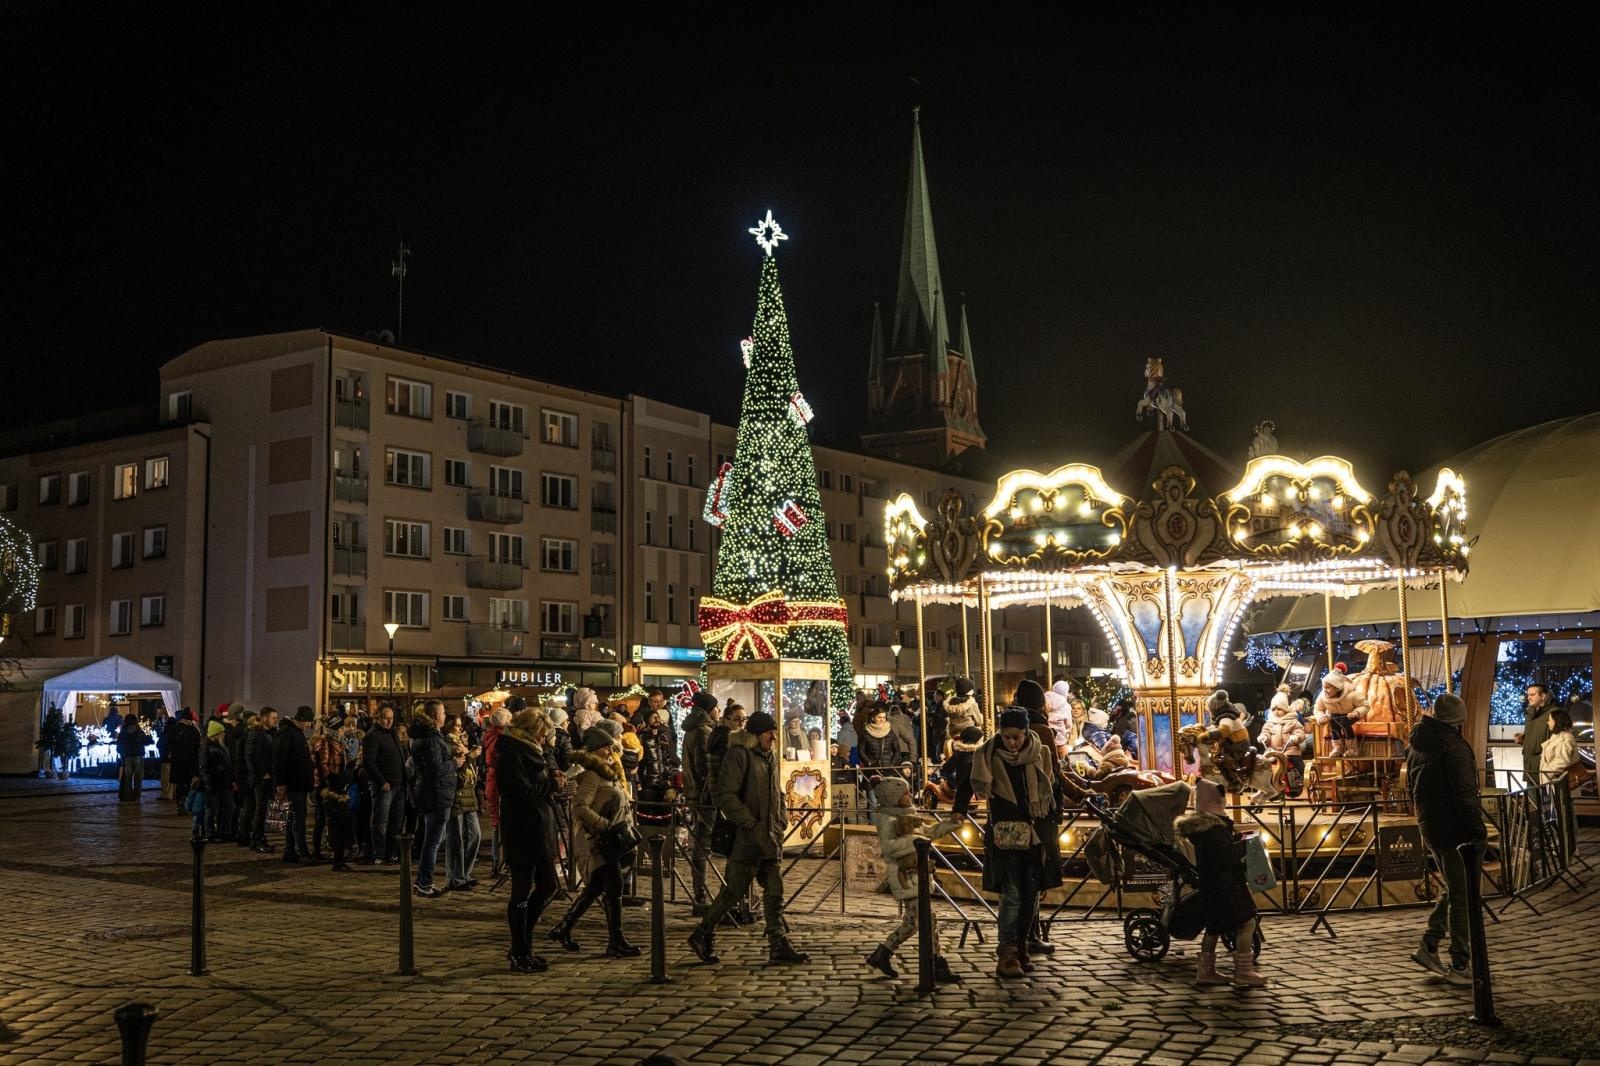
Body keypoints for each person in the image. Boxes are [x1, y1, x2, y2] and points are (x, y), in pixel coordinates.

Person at [688, 711, 809, 966]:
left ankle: (778, 943)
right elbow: (726, 794)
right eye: (768, 733)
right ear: (755, 734)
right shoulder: (739, 754)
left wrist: (780, 820)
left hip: (769, 836)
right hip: (747, 839)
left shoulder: (769, 756)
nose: (773, 737)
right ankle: (703, 932)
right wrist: (748, 822)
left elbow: (776, 792)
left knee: (774, 890)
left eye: (774, 732)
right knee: (733, 891)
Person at [971, 708, 1058, 979]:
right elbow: (968, 783)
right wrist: (959, 810)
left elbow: (1052, 788)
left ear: (1025, 733)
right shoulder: (988, 754)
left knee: (1030, 896)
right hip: (1005, 836)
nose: (1011, 743)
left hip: (1034, 835)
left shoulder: (1040, 753)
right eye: (1007, 737)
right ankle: (1006, 952)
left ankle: (1022, 947)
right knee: (1012, 895)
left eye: (1016, 737)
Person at [1406, 693, 1485, 986]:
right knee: (1463, 896)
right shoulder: (1453, 747)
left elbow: (1411, 785)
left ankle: (1429, 943)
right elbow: (1465, 794)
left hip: (1431, 824)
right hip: (1455, 828)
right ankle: (1460, 962)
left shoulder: (1418, 744)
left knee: (1455, 886)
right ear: (1458, 719)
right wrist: (1477, 829)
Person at [547, 728, 641, 957]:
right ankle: (616, 940)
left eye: (611, 747)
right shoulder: (592, 774)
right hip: (598, 840)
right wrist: (603, 825)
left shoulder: (608, 772)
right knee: (614, 885)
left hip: (611, 839)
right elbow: (579, 807)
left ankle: (564, 927)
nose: (610, 751)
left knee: (597, 887)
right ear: (595, 750)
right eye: (606, 747)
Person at [863, 776, 962, 983]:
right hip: (906, 877)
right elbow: (889, 848)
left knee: (913, 922)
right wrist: (918, 840)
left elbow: (929, 832)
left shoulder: (908, 816)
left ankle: (882, 954)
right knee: (927, 920)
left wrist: (950, 824)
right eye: (906, 794)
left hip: (917, 876)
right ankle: (935, 963)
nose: (910, 796)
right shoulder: (889, 820)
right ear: (894, 798)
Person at [1177, 780, 1265, 986]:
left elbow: (1220, 851)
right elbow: (1226, 856)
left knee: (1214, 927)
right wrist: (1245, 845)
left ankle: (1205, 971)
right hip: (1226, 886)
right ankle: (1244, 972)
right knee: (1247, 922)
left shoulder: (1204, 828)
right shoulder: (1213, 830)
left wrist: (1237, 838)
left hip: (1212, 886)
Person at [497, 707, 565, 973]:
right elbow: (521, 793)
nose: (543, 739)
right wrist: (551, 785)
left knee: (549, 885)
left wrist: (553, 779)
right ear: (530, 731)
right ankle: (520, 950)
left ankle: (522, 942)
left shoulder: (533, 751)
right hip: (522, 830)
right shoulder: (512, 754)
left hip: (539, 828)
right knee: (521, 892)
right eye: (541, 734)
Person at [409, 700, 458, 898]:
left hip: (434, 792)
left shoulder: (428, 736)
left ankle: (423, 880)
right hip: (436, 793)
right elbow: (434, 769)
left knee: (433, 839)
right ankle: (424, 882)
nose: (445, 716)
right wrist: (454, 762)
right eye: (443, 713)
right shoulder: (430, 739)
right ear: (437, 716)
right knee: (432, 842)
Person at [680, 690, 721, 915]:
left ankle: (700, 892)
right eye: (716, 707)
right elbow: (705, 768)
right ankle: (701, 894)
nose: (719, 711)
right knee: (702, 844)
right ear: (708, 709)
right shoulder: (704, 731)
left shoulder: (692, 729)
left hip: (696, 794)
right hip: (705, 796)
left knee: (701, 843)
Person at [363, 703, 405, 864]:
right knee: (381, 821)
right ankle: (379, 853)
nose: (388, 721)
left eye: (391, 718)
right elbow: (369, 762)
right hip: (384, 786)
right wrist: (382, 781)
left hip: (398, 784)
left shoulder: (393, 734)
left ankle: (391, 851)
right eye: (385, 718)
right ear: (377, 718)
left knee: (396, 821)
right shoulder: (372, 736)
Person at [273, 706, 316, 863]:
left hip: (298, 782)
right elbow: (279, 759)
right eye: (308, 722)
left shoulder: (295, 732)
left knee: (293, 817)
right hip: (294, 782)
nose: (309, 726)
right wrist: (280, 782)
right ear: (302, 720)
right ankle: (301, 851)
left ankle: (290, 850)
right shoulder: (287, 733)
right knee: (298, 817)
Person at [445, 725, 483, 891]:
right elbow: (456, 774)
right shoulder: (449, 747)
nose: (461, 730)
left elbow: (472, 774)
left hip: (469, 796)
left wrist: (471, 757)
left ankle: (464, 873)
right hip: (457, 797)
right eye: (457, 726)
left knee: (475, 835)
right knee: (456, 839)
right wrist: (468, 757)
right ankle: (456, 877)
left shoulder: (464, 747)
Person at [309, 713, 348, 862]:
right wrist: (328, 783)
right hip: (326, 787)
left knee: (328, 819)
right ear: (335, 729)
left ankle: (330, 849)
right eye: (342, 728)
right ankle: (317, 849)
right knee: (323, 819)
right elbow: (323, 764)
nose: (344, 730)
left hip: (335, 785)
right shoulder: (326, 742)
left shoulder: (337, 742)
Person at [243, 707, 279, 850]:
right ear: (264, 718)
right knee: (261, 809)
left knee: (263, 809)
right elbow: (252, 755)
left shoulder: (268, 733)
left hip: (267, 777)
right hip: (261, 779)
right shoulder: (257, 734)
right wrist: (263, 773)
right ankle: (257, 839)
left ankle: (259, 838)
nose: (275, 720)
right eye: (273, 717)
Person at [483, 706, 511, 872]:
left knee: (497, 821)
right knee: (499, 821)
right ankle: (498, 859)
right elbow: (497, 760)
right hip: (498, 781)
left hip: (493, 780)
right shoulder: (500, 738)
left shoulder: (491, 735)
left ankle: (498, 860)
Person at [201, 719, 235, 842]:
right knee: (212, 809)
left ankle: (224, 832)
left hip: (224, 783)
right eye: (222, 733)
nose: (224, 734)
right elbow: (204, 767)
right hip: (214, 784)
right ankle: (210, 834)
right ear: (216, 734)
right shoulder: (207, 748)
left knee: (229, 807)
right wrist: (209, 782)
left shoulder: (221, 747)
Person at [1515, 683, 1556, 787]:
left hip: (1544, 767)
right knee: (1532, 795)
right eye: (1528, 695)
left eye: (1532, 695)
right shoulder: (1530, 714)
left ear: (1543, 696)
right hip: (1529, 765)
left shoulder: (1553, 713)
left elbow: (1556, 739)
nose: (1528, 697)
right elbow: (1535, 735)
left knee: (1546, 796)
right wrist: (1523, 739)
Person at [319, 765, 357, 872]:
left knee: (340, 846)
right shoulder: (333, 799)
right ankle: (337, 863)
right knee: (338, 846)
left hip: (340, 827)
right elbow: (335, 813)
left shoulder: (337, 798)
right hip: (337, 827)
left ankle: (340, 862)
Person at [167, 709, 202, 814]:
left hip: (177, 761)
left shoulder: (174, 729)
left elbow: (169, 742)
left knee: (179, 784)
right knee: (189, 783)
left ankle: (179, 805)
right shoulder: (193, 730)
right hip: (190, 761)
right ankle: (185, 802)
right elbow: (198, 746)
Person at [858, 704, 907, 777]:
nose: (882, 720)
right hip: (871, 770)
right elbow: (861, 750)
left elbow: (897, 750)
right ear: (873, 718)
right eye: (879, 717)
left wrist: (892, 764)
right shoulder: (866, 733)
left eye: (884, 717)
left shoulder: (890, 732)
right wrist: (868, 762)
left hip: (887, 769)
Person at [1539, 707, 1578, 784]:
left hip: (1559, 783)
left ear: (1557, 721)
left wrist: (1548, 773)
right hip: (1552, 782)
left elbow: (1563, 761)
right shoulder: (1557, 737)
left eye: (1550, 720)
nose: (1548, 723)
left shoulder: (1565, 738)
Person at [116, 713, 148, 802]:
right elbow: (146, 741)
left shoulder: (123, 731)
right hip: (138, 755)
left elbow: (119, 744)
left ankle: (127, 796)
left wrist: (121, 753)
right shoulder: (139, 730)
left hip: (127, 756)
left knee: (127, 778)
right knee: (138, 777)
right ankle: (137, 796)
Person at [943, 678, 982, 743]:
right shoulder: (971, 703)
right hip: (969, 734)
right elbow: (979, 722)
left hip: (953, 734)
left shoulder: (950, 703)